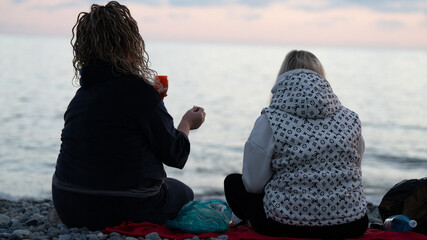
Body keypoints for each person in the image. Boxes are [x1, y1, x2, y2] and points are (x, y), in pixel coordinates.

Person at [51, 1, 206, 230]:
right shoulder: (140, 93)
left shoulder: (81, 97)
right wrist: (187, 123)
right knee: (184, 191)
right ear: (129, 48)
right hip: (127, 208)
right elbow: (176, 153)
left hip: (68, 204)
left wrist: (153, 106)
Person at [224, 50, 368, 239]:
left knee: (233, 183)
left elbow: (253, 185)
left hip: (283, 225)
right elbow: (353, 173)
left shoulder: (271, 119)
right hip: (351, 224)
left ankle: (245, 220)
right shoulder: (350, 119)